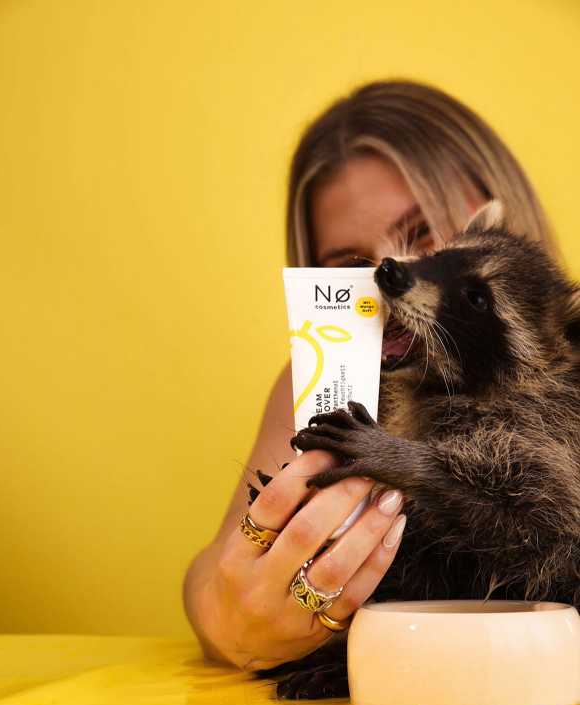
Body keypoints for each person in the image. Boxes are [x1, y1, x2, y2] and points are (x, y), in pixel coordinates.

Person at [182, 78, 561, 673]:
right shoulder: (329, 376)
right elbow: (213, 567)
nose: (390, 270)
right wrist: (230, 613)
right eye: (351, 265)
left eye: (426, 235)